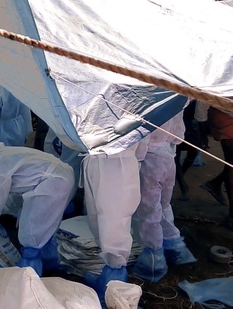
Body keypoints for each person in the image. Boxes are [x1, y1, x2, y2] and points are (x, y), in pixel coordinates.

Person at [0, 137, 75, 276]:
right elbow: (12, 197)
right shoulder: (7, 153)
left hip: (53, 183)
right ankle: (50, 267)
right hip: (62, 176)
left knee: (31, 231)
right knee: (46, 227)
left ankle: (30, 275)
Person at [132, 112, 197, 283]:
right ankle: (175, 248)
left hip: (151, 154)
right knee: (163, 204)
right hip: (169, 151)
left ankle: (153, 263)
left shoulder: (153, 95)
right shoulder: (177, 91)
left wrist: (137, 159)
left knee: (149, 209)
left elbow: (143, 131)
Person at [82, 141, 146, 305]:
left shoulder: (137, 114)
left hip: (120, 164)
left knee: (115, 226)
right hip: (94, 159)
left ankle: (114, 291)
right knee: (97, 220)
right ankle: (107, 279)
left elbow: (143, 137)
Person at [0, 69, 33, 146]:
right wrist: (29, 132)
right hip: (19, 126)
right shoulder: (17, 83)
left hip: (3, 131)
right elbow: (26, 111)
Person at [202, 105, 233, 229]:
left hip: (223, 114)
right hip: (226, 116)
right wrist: (201, 123)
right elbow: (202, 97)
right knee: (232, 166)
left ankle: (215, 183)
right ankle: (232, 216)